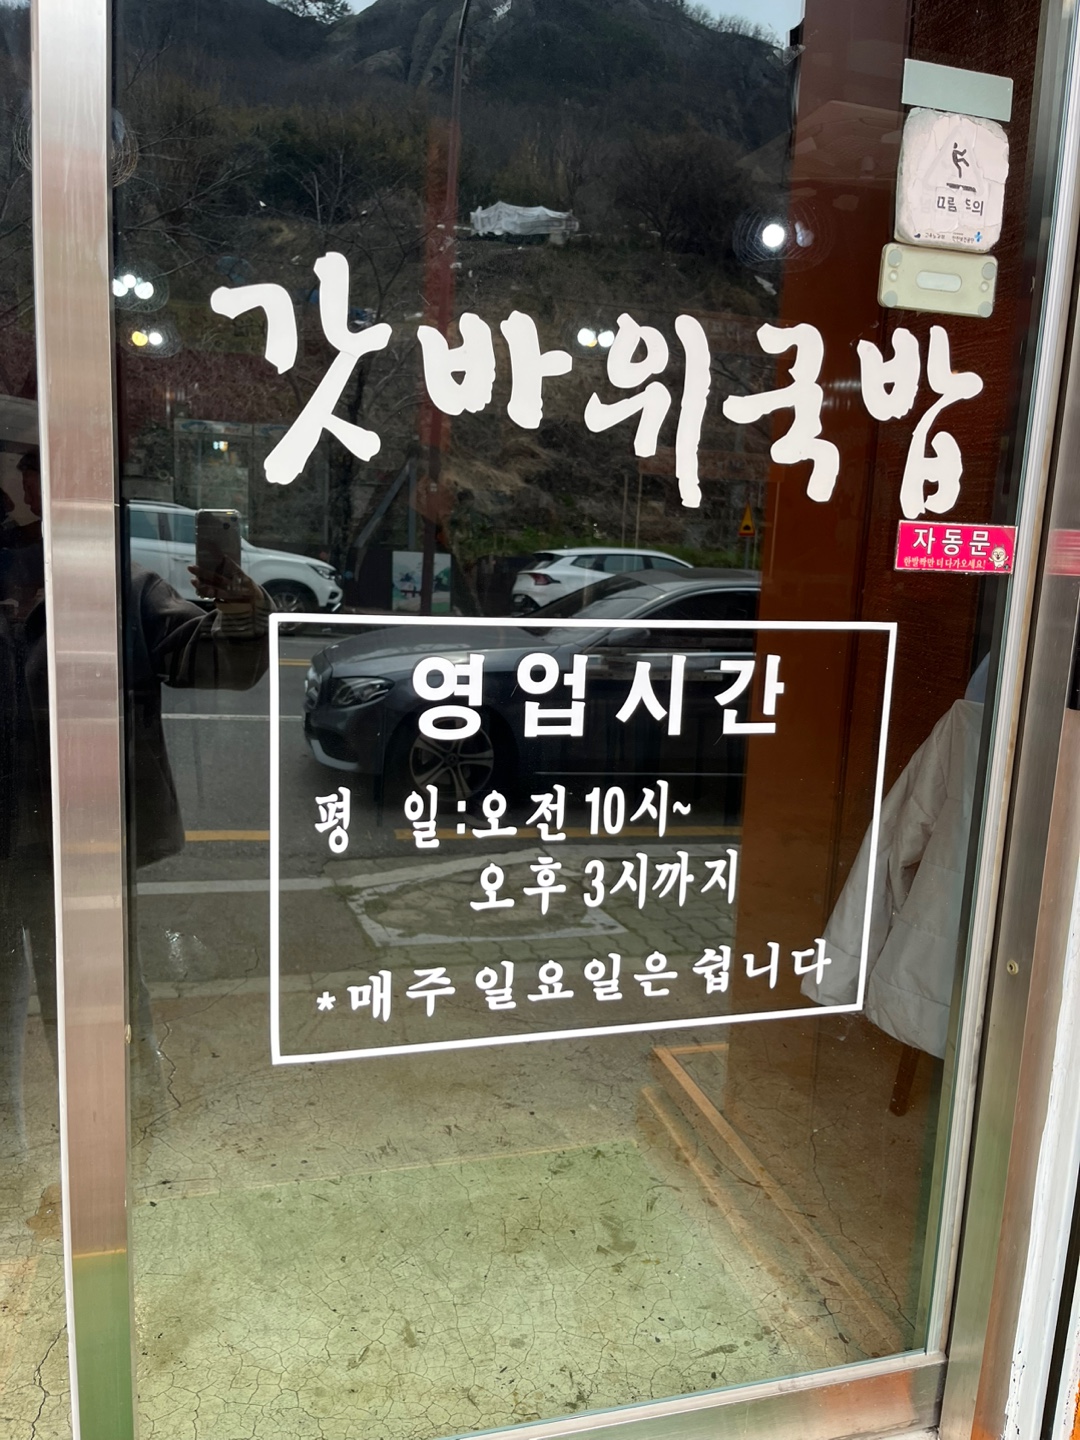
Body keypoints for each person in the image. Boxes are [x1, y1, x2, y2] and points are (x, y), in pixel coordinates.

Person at [0, 448, 273, 1143]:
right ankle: (14, 1166)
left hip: (81, 845)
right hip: (18, 840)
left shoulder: (124, 586)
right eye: (35, 474)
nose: (44, 489)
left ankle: (130, 1149)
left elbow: (220, 662)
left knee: (103, 1007)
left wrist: (241, 608)